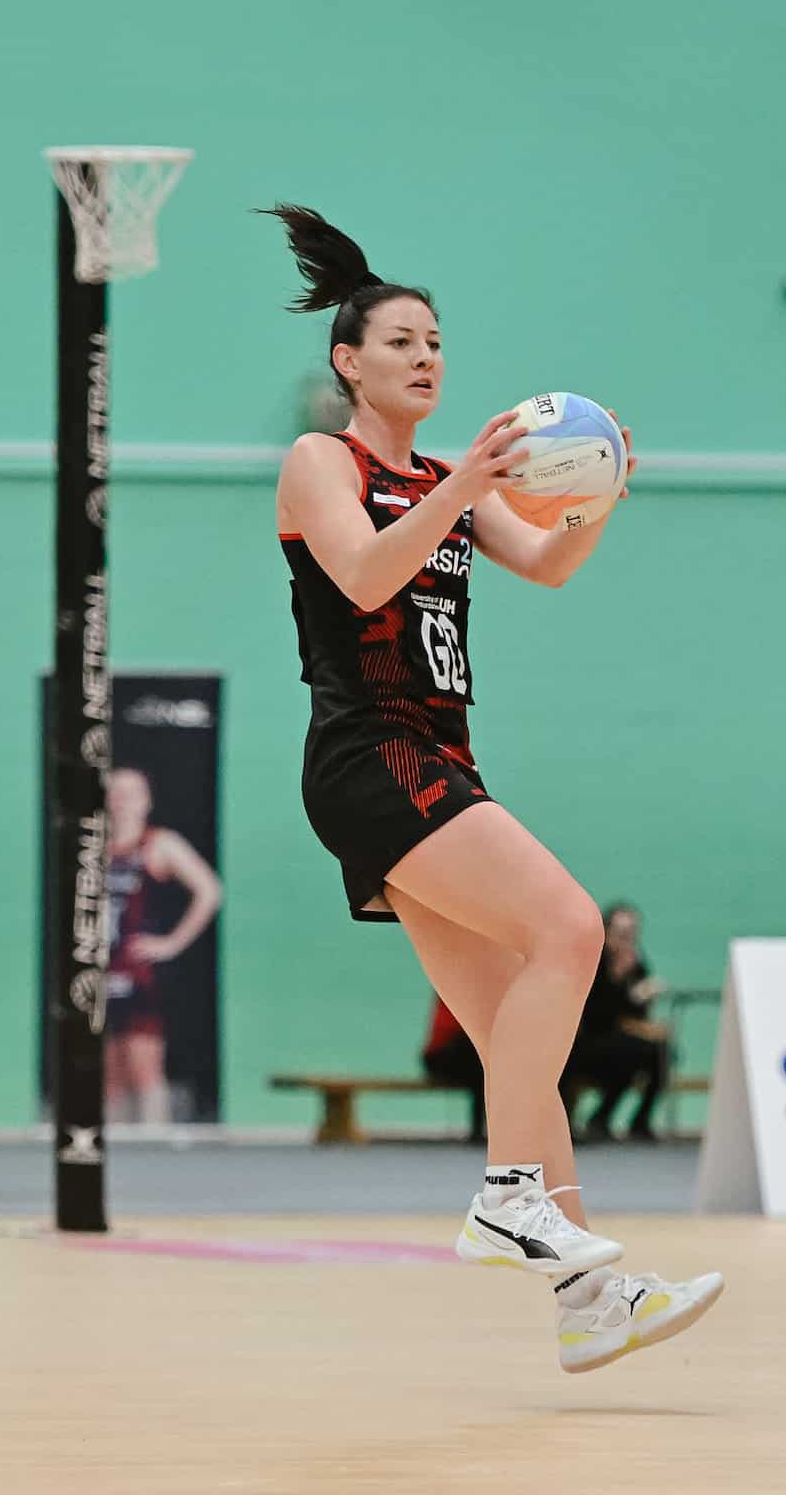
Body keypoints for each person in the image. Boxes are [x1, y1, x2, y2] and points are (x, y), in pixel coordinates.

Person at [266, 203, 721, 1373]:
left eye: (437, 341)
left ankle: (589, 1296)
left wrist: (599, 489)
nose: (428, 357)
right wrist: (464, 477)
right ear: (348, 360)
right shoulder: (326, 462)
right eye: (404, 342)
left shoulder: (445, 481)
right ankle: (509, 1192)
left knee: (510, 1018)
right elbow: (366, 577)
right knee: (569, 927)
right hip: (370, 751)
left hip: (441, 754)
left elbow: (553, 563)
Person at [103, 768, 223, 1126]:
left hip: (142, 972)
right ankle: (110, 1150)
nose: (122, 801)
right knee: (108, 1071)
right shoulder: (93, 847)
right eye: (115, 793)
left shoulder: (159, 844)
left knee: (144, 1064)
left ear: (147, 800)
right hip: (103, 970)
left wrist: (171, 943)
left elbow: (210, 890)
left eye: (131, 793)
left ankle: (153, 1146)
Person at [568, 902, 671, 1143]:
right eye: (621, 933)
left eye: (632, 933)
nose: (627, 939)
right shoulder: (595, 961)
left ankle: (637, 1121)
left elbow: (637, 1013)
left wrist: (643, 998)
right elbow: (594, 1012)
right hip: (586, 1039)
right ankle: (600, 1118)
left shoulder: (636, 964)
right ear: (607, 931)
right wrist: (624, 986)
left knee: (660, 1053)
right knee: (632, 1052)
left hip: (620, 1040)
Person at [419, 995, 486, 1143]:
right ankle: (477, 1131)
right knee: (478, 1068)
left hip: (463, 1059)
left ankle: (478, 1131)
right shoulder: (453, 996)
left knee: (480, 1073)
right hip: (441, 1057)